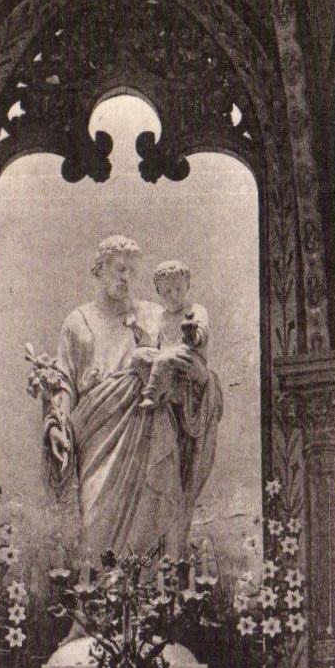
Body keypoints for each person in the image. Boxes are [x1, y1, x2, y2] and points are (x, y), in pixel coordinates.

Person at [43, 235, 222, 562]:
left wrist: (199, 379)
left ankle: (161, 606)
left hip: (154, 439)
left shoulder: (157, 315)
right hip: (98, 440)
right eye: (119, 269)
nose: (126, 277)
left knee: (156, 525)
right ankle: (96, 603)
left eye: (133, 271)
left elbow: (193, 371)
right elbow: (63, 381)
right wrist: (56, 425)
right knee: (96, 525)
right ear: (98, 270)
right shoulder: (77, 323)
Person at [138, 260, 210, 411]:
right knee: (138, 356)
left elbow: (201, 335)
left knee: (163, 358)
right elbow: (153, 343)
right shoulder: (160, 317)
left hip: (189, 358)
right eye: (167, 291)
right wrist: (136, 331)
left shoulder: (195, 310)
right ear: (159, 291)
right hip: (165, 360)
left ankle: (151, 395)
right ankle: (165, 389)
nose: (174, 296)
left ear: (187, 286)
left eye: (178, 289)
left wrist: (192, 335)